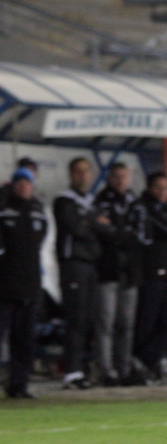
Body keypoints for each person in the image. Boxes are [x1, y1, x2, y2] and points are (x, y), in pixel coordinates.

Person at [54, 157, 113, 389]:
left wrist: (91, 223)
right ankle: (71, 371)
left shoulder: (90, 201)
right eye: (78, 171)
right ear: (71, 173)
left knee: (87, 319)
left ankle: (79, 368)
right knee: (75, 318)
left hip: (90, 264)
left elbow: (106, 230)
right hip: (73, 264)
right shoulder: (64, 200)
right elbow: (75, 228)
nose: (82, 175)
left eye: (86, 171)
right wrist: (94, 224)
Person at [131, 172, 167, 381]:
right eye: (158, 187)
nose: (163, 192)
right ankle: (141, 361)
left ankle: (147, 359)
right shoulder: (143, 207)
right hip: (152, 271)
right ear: (149, 188)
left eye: (166, 188)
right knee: (148, 321)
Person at [0, 168, 47, 398]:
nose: (23, 187)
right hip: (4, 286)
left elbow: (41, 243)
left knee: (25, 339)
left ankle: (19, 385)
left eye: (27, 183)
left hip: (30, 285)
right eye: (19, 183)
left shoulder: (38, 211)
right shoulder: (4, 210)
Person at [93, 162, 140, 386]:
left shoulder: (135, 202)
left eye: (124, 176)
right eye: (116, 176)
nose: (120, 180)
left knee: (126, 325)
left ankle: (124, 368)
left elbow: (141, 234)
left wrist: (117, 231)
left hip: (129, 272)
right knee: (106, 323)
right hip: (107, 269)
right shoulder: (101, 201)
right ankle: (105, 370)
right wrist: (123, 232)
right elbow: (101, 231)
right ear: (109, 178)